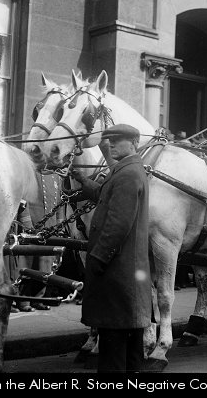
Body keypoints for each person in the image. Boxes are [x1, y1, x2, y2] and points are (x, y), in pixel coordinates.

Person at [70, 124, 152, 373]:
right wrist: (82, 180)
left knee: (114, 353)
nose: (111, 144)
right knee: (129, 348)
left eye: (118, 140)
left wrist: (98, 258)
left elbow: (118, 224)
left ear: (134, 143)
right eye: (109, 140)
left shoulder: (127, 174)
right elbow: (106, 194)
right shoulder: (128, 170)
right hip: (126, 274)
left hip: (118, 272)